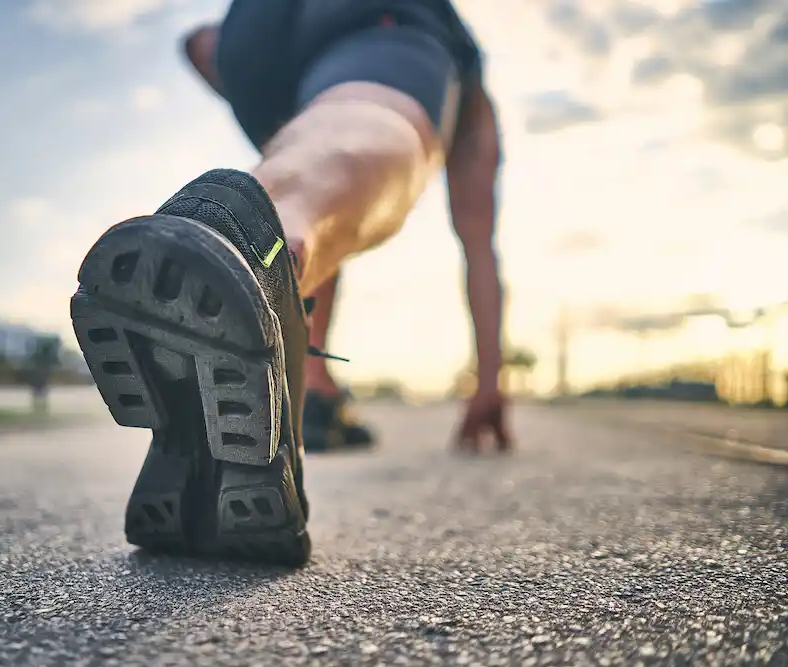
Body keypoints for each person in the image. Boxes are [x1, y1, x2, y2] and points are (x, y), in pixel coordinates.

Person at [70, 0, 509, 567]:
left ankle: (298, 356)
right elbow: (478, 244)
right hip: (364, 27)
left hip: (248, 42)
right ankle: (247, 236)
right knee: (357, 126)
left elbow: (196, 43)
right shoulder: (458, 73)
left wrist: (240, 66)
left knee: (320, 193)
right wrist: (490, 382)